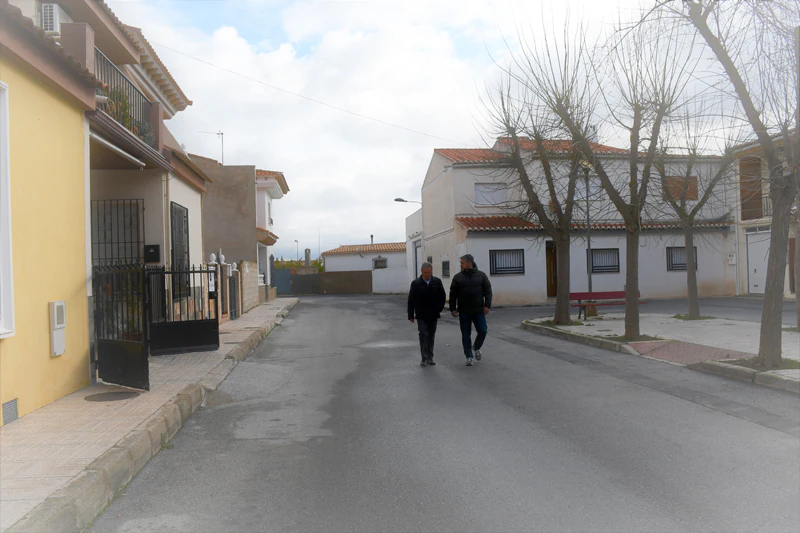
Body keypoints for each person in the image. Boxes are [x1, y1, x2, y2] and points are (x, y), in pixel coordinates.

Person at [449, 254, 492, 366]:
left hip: (478, 310)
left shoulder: (481, 276)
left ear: (470, 263)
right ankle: (469, 356)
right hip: (464, 311)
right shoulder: (457, 278)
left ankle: (476, 347)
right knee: (465, 335)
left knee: (483, 330)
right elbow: (452, 294)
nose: (461, 265)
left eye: (462, 263)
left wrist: (487, 305)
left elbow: (488, 291)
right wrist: (453, 309)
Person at [408, 262, 446, 366]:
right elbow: (411, 299)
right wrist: (411, 315)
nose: (427, 275)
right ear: (421, 272)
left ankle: (430, 357)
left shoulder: (437, 282)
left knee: (431, 335)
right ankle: (423, 358)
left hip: (433, 314)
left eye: (429, 273)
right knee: (423, 334)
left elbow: (442, 297)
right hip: (421, 314)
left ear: (431, 271)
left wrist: (439, 308)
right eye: (425, 273)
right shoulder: (415, 283)